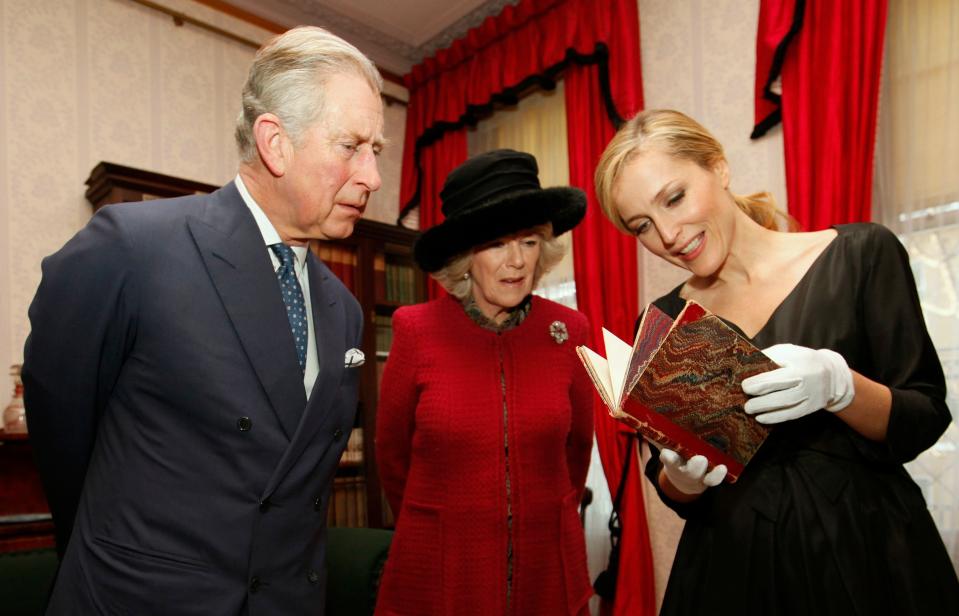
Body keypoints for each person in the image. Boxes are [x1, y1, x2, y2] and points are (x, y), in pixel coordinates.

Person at [22, 26, 383, 615]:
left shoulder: (342, 309)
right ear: (276, 142)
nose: (371, 177)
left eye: (378, 153)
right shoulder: (134, 250)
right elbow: (62, 430)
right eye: (351, 147)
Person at [594, 109, 959, 615]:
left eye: (674, 198)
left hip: (865, 550)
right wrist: (683, 477)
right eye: (643, 226)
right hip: (733, 567)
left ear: (718, 168)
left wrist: (842, 386)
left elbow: (923, 418)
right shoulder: (661, 322)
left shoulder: (860, 255)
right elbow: (672, 489)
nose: (669, 235)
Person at [374, 149, 594, 615]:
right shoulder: (416, 329)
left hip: (546, 570)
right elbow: (392, 455)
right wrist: (437, 522)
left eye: (529, 242)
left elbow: (577, 451)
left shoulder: (570, 330)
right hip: (442, 569)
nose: (516, 261)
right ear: (464, 257)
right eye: (496, 244)